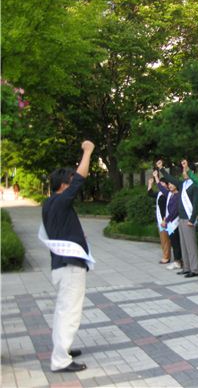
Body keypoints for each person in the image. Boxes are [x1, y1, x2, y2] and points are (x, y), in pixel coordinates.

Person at [41, 140, 95, 372]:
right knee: (69, 312)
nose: (76, 183)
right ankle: (61, 360)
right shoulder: (62, 201)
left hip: (61, 265)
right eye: (71, 181)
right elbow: (81, 177)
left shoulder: (49, 203)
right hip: (70, 265)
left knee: (64, 310)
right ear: (64, 185)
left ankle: (64, 348)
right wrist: (88, 151)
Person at [157, 159, 198, 277]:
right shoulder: (183, 184)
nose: (183, 172)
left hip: (188, 219)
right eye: (183, 170)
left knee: (191, 245)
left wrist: (192, 220)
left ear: (192, 172)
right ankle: (186, 267)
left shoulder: (195, 185)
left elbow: (196, 204)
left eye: (186, 170)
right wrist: (161, 168)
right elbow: (170, 179)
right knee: (183, 244)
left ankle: (194, 269)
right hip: (181, 218)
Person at [152, 170, 183, 271]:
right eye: (169, 184)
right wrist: (156, 176)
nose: (170, 185)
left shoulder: (178, 196)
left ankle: (178, 261)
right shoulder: (170, 194)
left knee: (176, 242)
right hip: (170, 223)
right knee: (174, 242)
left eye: (172, 183)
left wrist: (166, 220)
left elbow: (175, 211)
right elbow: (161, 187)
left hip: (174, 222)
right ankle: (177, 260)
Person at [147, 176, 171, 264]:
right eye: (160, 183)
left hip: (166, 220)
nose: (160, 184)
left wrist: (165, 219)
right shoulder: (160, 193)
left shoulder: (168, 193)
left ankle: (167, 257)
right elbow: (150, 194)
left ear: (167, 185)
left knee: (166, 239)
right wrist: (150, 184)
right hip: (161, 220)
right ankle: (166, 255)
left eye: (162, 183)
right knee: (163, 239)